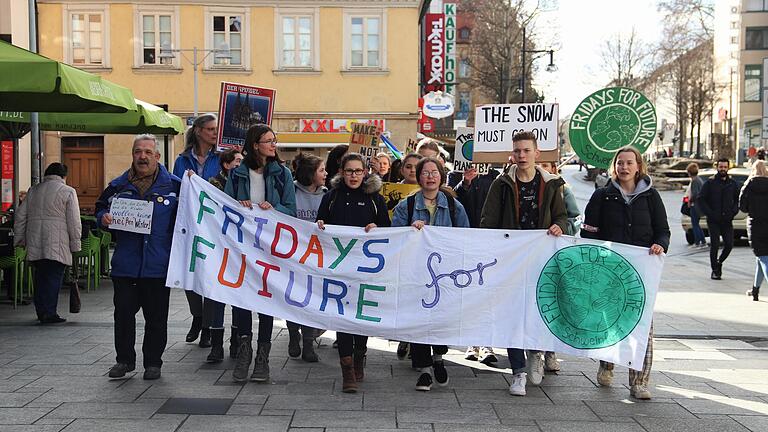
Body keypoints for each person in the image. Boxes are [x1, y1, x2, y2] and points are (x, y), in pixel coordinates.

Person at [480, 131, 568, 396]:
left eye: (526, 151)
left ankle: (536, 353)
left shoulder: (551, 183)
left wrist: (558, 226)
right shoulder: (502, 183)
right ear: (512, 153)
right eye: (517, 151)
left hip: (541, 259)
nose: (521, 155)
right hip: (511, 261)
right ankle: (517, 371)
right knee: (511, 315)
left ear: (536, 153)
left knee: (538, 310)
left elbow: (563, 217)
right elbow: (488, 220)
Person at [582, 146, 670, 400]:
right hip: (609, 273)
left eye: (629, 163)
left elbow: (663, 230)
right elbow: (589, 232)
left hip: (641, 272)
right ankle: (606, 363)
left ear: (638, 166)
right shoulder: (602, 196)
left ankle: (639, 382)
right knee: (610, 322)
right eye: (620, 163)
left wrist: (660, 244)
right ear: (614, 166)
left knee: (643, 326)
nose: (624, 167)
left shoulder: (651, 197)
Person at [96, 134, 181, 380]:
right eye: (137, 152)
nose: (142, 156)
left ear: (157, 156)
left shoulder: (175, 187)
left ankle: (153, 362)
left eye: (147, 152)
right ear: (132, 155)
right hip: (126, 265)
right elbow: (100, 208)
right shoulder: (117, 186)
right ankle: (124, 360)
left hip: (157, 265)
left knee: (156, 318)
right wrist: (103, 218)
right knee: (123, 314)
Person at [224, 124, 297, 383]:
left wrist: (273, 207)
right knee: (243, 298)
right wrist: (237, 205)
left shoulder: (282, 174)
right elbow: (226, 206)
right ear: (255, 144)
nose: (273, 145)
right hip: (243, 247)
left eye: (274, 141)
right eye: (269, 141)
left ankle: (262, 358)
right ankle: (244, 352)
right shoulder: (237, 175)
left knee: (266, 299)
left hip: (269, 248)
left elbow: (291, 209)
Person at [392, 157, 469, 391]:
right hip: (416, 275)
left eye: (434, 172)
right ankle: (424, 369)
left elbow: (466, 237)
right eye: (425, 172)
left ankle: (439, 358)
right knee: (417, 319)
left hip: (445, 274)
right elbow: (394, 238)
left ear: (441, 175)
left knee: (440, 318)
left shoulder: (456, 207)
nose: (430, 176)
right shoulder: (405, 206)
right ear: (418, 176)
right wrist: (409, 231)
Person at [316, 152, 390, 393]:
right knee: (342, 316)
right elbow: (320, 223)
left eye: (358, 171)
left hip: (366, 271)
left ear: (365, 172)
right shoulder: (331, 197)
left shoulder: (375, 199)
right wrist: (319, 226)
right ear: (342, 172)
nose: (354, 175)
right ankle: (346, 368)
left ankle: (360, 354)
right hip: (339, 270)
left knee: (361, 316)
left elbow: (388, 231)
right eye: (349, 171)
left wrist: (376, 228)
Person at [173, 113, 221, 348]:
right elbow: (175, 186)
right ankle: (198, 316)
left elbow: (226, 185)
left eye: (215, 129)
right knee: (189, 274)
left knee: (210, 275)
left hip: (214, 225)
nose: (214, 132)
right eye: (210, 129)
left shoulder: (221, 157)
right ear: (199, 131)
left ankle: (208, 326)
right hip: (190, 223)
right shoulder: (182, 159)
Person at [14, 163, 81, 324]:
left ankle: (41, 311)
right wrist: (75, 243)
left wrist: (19, 239)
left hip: (36, 239)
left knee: (41, 276)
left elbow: (20, 217)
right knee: (53, 277)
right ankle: (49, 313)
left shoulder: (33, 190)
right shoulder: (68, 191)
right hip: (58, 242)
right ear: (64, 175)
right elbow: (74, 221)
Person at [537, 160, 582, 373]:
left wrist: (563, 229)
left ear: (555, 168)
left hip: (557, 254)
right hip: (537, 253)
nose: (544, 168)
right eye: (540, 165)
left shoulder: (564, 190)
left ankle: (550, 351)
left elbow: (574, 218)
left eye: (547, 165)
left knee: (553, 302)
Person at [453, 165, 501, 365]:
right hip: (467, 244)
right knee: (470, 295)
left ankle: (487, 343)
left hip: (491, 243)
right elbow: (452, 199)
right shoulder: (455, 174)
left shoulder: (497, 176)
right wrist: (465, 183)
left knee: (489, 295)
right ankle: (472, 342)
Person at [202, 148, 243, 363]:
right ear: (226, 165)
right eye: (237, 161)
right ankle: (216, 345)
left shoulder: (244, 183)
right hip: (218, 247)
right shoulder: (213, 184)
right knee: (217, 297)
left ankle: (236, 342)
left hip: (239, 249)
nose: (240, 164)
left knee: (238, 297)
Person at [287, 152, 327, 362]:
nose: (325, 173)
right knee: (293, 298)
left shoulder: (327, 194)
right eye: (321, 170)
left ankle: (309, 343)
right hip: (293, 255)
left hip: (317, 258)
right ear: (311, 174)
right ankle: (294, 334)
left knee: (312, 299)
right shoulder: (290, 191)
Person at [697, 158, 739, 280]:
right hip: (713, 220)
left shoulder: (733, 183)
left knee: (729, 245)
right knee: (714, 245)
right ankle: (715, 270)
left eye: (725, 167)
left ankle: (719, 262)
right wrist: (709, 213)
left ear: (728, 168)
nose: (723, 169)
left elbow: (738, 199)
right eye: (721, 167)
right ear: (717, 167)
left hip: (727, 220)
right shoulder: (710, 183)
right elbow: (701, 199)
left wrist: (733, 211)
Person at [740, 160, 768, 301]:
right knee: (761, 259)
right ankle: (755, 290)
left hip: (756, 225)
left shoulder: (748, 185)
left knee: (763, 258)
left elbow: (743, 207)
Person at [685, 163, 706, 247]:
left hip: (695, 206)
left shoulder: (694, 181)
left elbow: (695, 194)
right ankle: (703, 241)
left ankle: (697, 242)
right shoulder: (699, 180)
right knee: (697, 224)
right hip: (699, 206)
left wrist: (690, 201)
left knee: (695, 224)